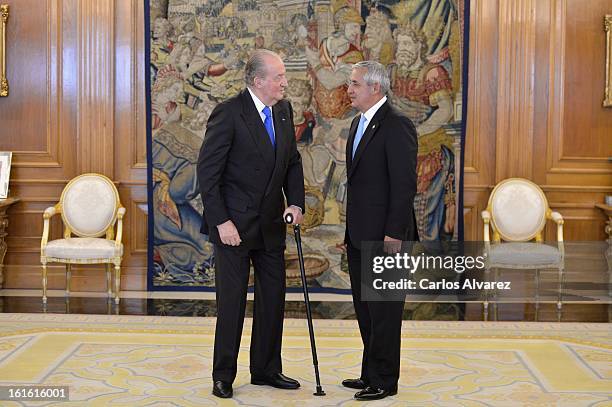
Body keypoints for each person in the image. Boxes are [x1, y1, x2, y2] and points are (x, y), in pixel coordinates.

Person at [197, 49, 305, 399]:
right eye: (279, 77)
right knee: (232, 303)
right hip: (234, 228)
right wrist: (222, 222)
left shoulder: (285, 112)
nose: (284, 82)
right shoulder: (229, 113)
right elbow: (208, 175)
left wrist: (297, 202)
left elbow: (292, 161)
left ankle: (266, 368)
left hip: (271, 224)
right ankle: (223, 374)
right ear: (258, 81)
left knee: (273, 300)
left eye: (283, 76)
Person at [343, 61, 419, 400]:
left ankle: (384, 380)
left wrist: (394, 234)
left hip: (388, 238)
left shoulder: (397, 124)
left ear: (376, 87)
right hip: (360, 235)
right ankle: (368, 373)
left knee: (385, 312)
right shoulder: (357, 123)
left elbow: (404, 186)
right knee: (366, 310)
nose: (349, 89)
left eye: (355, 84)